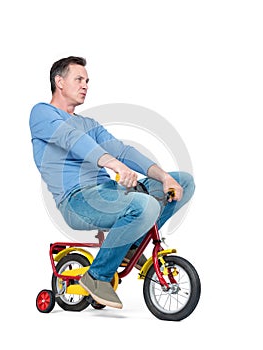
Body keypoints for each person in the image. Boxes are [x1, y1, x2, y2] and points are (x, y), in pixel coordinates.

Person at [29, 56, 195, 309]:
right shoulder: (42, 113)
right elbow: (72, 139)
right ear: (59, 82)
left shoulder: (89, 124)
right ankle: (96, 277)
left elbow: (123, 151)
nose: (85, 85)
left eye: (87, 81)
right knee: (144, 206)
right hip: (77, 200)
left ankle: (131, 246)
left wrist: (164, 177)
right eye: (79, 79)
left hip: (109, 192)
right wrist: (111, 163)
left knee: (184, 182)